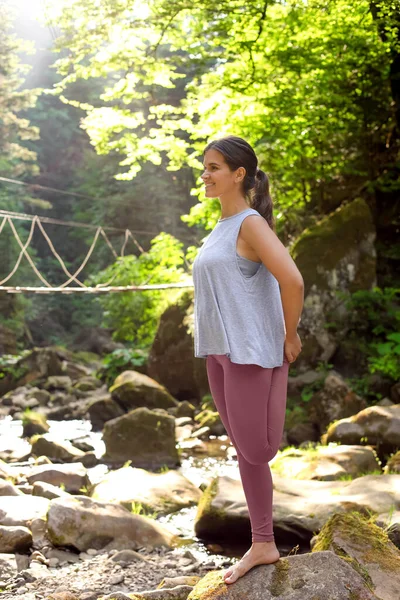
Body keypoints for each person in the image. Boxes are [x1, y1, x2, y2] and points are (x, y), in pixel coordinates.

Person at [192, 135, 304, 585]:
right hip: (219, 353)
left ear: (239, 174)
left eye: (214, 167)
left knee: (258, 448)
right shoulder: (220, 228)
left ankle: (280, 375)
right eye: (204, 167)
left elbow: (292, 280)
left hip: (252, 353)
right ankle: (263, 543)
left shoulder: (251, 224)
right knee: (245, 450)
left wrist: (289, 336)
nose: (205, 175)